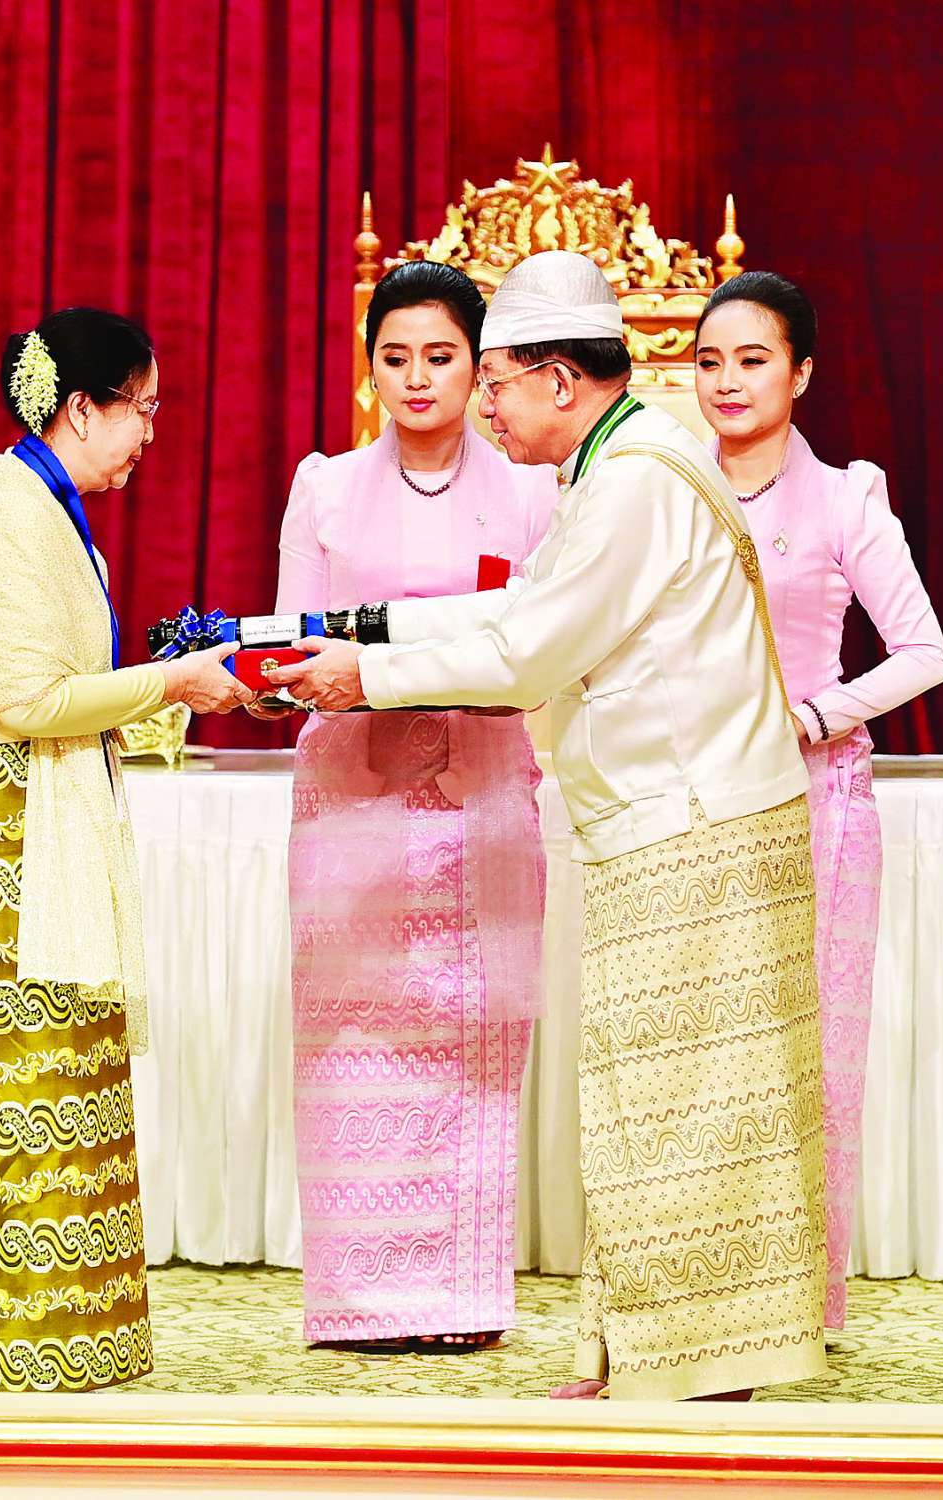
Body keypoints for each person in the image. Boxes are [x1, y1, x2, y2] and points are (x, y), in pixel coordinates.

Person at [270, 251, 828, 1401]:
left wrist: (362, 675)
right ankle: (652, 1355)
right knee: (649, 1100)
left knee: (680, 1106)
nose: (485, 406)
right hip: (676, 819)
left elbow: (528, 653)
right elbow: (526, 606)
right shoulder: (622, 459)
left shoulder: (631, 482)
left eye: (495, 382)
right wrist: (363, 628)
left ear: (559, 380)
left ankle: (697, 1366)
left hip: (692, 827)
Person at [0, 306, 252, 1393]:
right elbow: (27, 702)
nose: (150, 431)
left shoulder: (46, 511)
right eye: (140, 408)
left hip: (29, 819)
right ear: (80, 408)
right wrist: (173, 681)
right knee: (14, 1093)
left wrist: (168, 695)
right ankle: (12, 1349)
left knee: (60, 1076)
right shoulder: (12, 520)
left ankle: (67, 1340)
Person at [259, 262, 559, 1353]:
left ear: (481, 367)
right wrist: (268, 675)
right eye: (395, 357)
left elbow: (539, 649)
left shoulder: (531, 492)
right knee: (354, 1038)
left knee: (474, 1040)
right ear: (369, 366)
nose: (417, 378)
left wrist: (397, 662)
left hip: (484, 794)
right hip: (355, 803)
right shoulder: (325, 487)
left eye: (441, 356)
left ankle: (462, 1303)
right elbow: (288, 638)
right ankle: (358, 1300)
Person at [694, 271, 943, 1329]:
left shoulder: (846, 496)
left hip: (813, 805)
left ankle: (796, 1298)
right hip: (693, 802)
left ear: (800, 373)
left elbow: (924, 652)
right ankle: (699, 1292)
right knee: (701, 1052)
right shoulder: (669, 488)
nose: (727, 382)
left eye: (753, 361)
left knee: (804, 1055)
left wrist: (813, 716)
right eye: (708, 362)